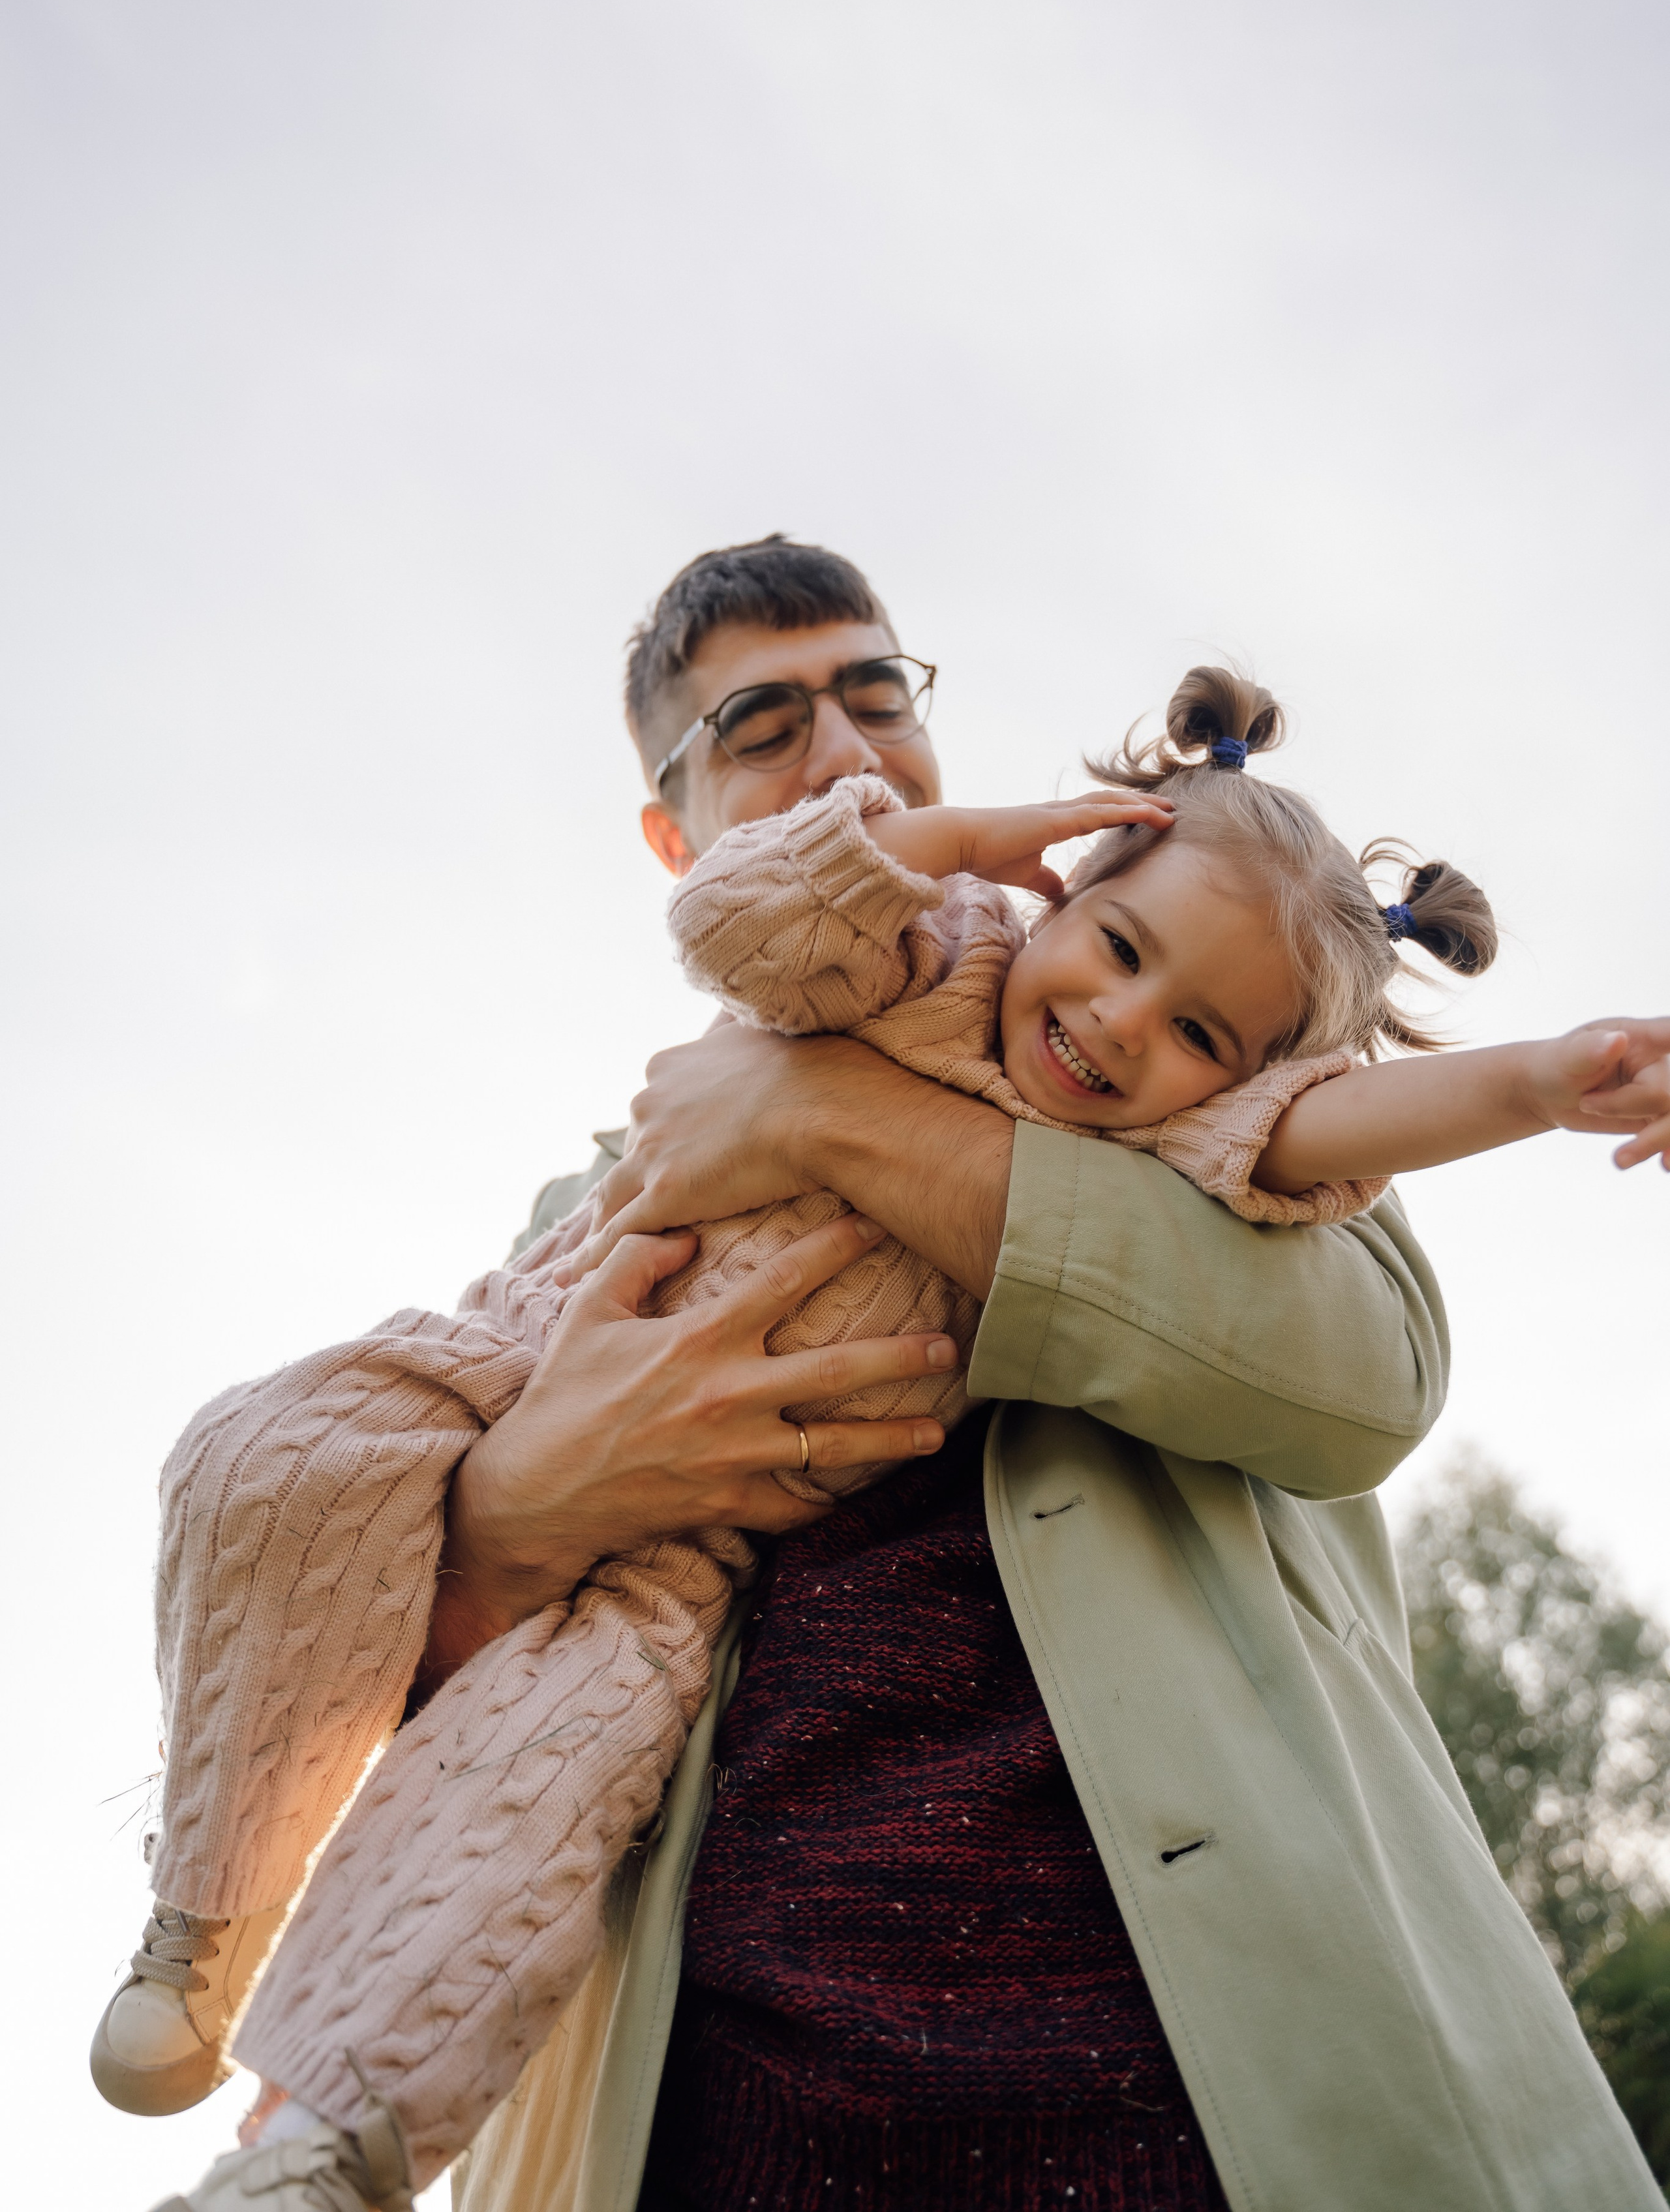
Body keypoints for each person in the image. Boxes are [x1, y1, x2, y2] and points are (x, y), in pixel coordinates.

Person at [109, 542, 1662, 2211]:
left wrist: (812, 1116)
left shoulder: (1186, 1082)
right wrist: (520, 1512)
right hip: (712, 2105)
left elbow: (1358, 1378)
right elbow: (394, 1676)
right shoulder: (600, 1197)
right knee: (421, 1659)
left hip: (1198, 2074)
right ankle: (276, 2064)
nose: (843, 751)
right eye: (762, 726)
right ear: (673, 834)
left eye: (874, 696)